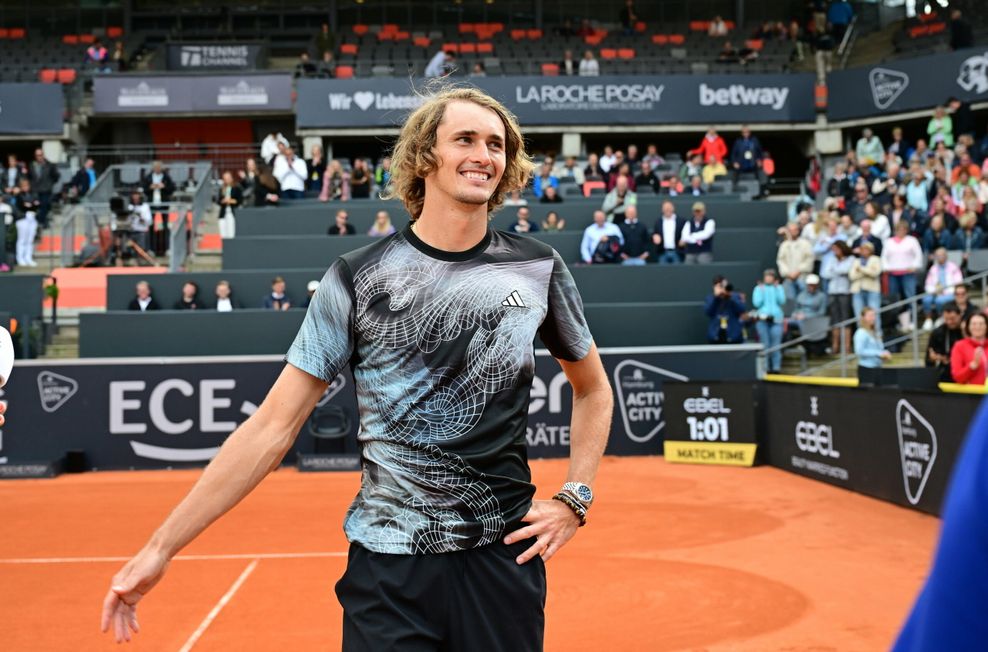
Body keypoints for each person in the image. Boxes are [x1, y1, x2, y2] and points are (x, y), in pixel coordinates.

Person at [101, 86, 611, 650]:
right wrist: (160, 547)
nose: (484, 155)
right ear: (424, 157)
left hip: (502, 560)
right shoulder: (355, 277)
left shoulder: (537, 267)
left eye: (496, 144)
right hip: (389, 571)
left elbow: (592, 389)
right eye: (464, 139)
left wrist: (575, 497)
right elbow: (271, 429)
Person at [881, 220, 924, 331]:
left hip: (908, 273)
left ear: (906, 230)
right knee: (894, 300)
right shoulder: (888, 242)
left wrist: (914, 266)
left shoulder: (912, 241)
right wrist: (886, 268)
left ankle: (913, 321)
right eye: (898, 229)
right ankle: (897, 322)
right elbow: (884, 257)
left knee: (911, 297)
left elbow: (918, 255)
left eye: (903, 229)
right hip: (892, 274)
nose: (901, 231)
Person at [822, 240, 854, 353]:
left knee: (846, 318)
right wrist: (838, 272)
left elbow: (847, 271)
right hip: (833, 291)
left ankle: (847, 346)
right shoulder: (831, 259)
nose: (835, 251)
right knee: (835, 319)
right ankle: (835, 346)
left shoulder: (850, 259)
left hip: (845, 292)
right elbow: (825, 273)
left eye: (836, 249)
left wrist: (835, 271)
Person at [753, 269, 786, 374]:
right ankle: (765, 368)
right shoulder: (759, 288)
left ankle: (776, 368)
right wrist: (762, 292)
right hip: (763, 321)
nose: (768, 278)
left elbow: (782, 301)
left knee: (776, 345)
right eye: (766, 276)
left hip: (776, 320)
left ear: (774, 278)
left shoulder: (779, 288)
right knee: (765, 344)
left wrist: (777, 289)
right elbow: (757, 303)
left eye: (770, 276)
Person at [923, 247, 963, 330]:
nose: (940, 257)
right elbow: (928, 283)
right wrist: (934, 291)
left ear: (946, 256)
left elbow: (958, 282)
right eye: (938, 255)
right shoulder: (933, 268)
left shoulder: (953, 266)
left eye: (942, 255)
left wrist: (945, 291)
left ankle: (940, 318)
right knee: (926, 299)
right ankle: (928, 320)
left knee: (939, 300)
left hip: (950, 292)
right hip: (935, 292)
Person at [926, 302, 963, 382]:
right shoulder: (938, 333)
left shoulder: (967, 330)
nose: (949, 322)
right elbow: (929, 358)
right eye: (946, 319)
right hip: (946, 373)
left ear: (960, 316)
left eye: (952, 319)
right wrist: (935, 358)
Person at [776, 221, 813, 299]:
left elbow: (809, 259)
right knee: (789, 301)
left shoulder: (805, 244)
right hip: (788, 278)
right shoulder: (784, 245)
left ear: (798, 230)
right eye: (791, 230)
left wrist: (799, 271)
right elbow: (780, 260)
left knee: (803, 299)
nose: (793, 232)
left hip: (802, 277)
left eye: (795, 230)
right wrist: (787, 273)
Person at [705, 276, 746, 344]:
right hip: (716, 335)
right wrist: (716, 297)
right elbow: (708, 312)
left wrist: (730, 296)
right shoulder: (710, 298)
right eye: (720, 286)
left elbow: (742, 309)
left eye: (724, 285)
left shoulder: (735, 296)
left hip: (733, 335)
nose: (723, 288)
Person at [950, 313, 988, 384]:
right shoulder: (960, 346)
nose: (977, 327)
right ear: (968, 327)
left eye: (981, 324)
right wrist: (973, 365)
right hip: (972, 393)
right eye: (974, 324)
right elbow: (957, 377)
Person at [729, 126, 766, 195]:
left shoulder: (754, 140)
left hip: (752, 163)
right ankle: (734, 190)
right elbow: (733, 154)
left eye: (747, 132)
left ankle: (761, 192)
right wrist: (735, 162)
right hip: (741, 164)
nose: (746, 134)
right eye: (744, 132)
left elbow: (760, 152)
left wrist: (759, 160)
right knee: (734, 174)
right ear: (741, 133)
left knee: (761, 173)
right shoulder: (738, 142)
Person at [849, 241, 882, 319]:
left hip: (872, 290)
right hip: (857, 290)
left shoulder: (876, 259)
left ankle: (877, 331)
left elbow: (875, 273)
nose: (864, 251)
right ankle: (862, 331)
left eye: (866, 249)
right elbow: (852, 276)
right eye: (862, 249)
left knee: (874, 315)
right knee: (859, 316)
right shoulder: (856, 261)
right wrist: (867, 271)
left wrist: (860, 269)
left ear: (871, 250)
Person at [28, 149, 59, 229]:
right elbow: (30, 177)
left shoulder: (49, 165)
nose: (39, 157)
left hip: (46, 189)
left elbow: (56, 176)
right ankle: (40, 222)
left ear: (43, 155)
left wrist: (50, 183)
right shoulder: (32, 165)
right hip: (35, 190)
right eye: (37, 155)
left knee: (45, 205)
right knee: (36, 206)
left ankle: (41, 222)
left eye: (40, 155)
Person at [13, 178, 39, 267]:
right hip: (22, 218)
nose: (26, 187)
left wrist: (30, 205)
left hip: (32, 217)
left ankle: (28, 257)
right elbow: (22, 206)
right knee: (22, 239)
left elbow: (35, 205)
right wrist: (29, 205)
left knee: (30, 240)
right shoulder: (18, 195)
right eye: (24, 186)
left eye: (27, 185)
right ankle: (20, 258)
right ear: (20, 187)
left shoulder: (32, 194)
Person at [652, 200, 684, 264]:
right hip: (663, 252)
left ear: (673, 208)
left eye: (669, 208)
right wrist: (654, 237)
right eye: (665, 208)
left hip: (677, 251)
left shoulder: (681, 221)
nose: (667, 210)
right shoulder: (658, 222)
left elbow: (685, 233)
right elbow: (655, 234)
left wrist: (683, 240)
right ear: (662, 210)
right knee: (662, 272)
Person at [217, 171, 243, 240]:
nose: (227, 180)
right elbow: (219, 200)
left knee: (231, 233)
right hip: (223, 213)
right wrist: (223, 201)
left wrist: (231, 201)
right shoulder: (222, 189)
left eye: (228, 178)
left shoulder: (237, 188)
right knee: (223, 233)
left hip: (232, 212)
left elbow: (240, 200)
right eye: (225, 179)